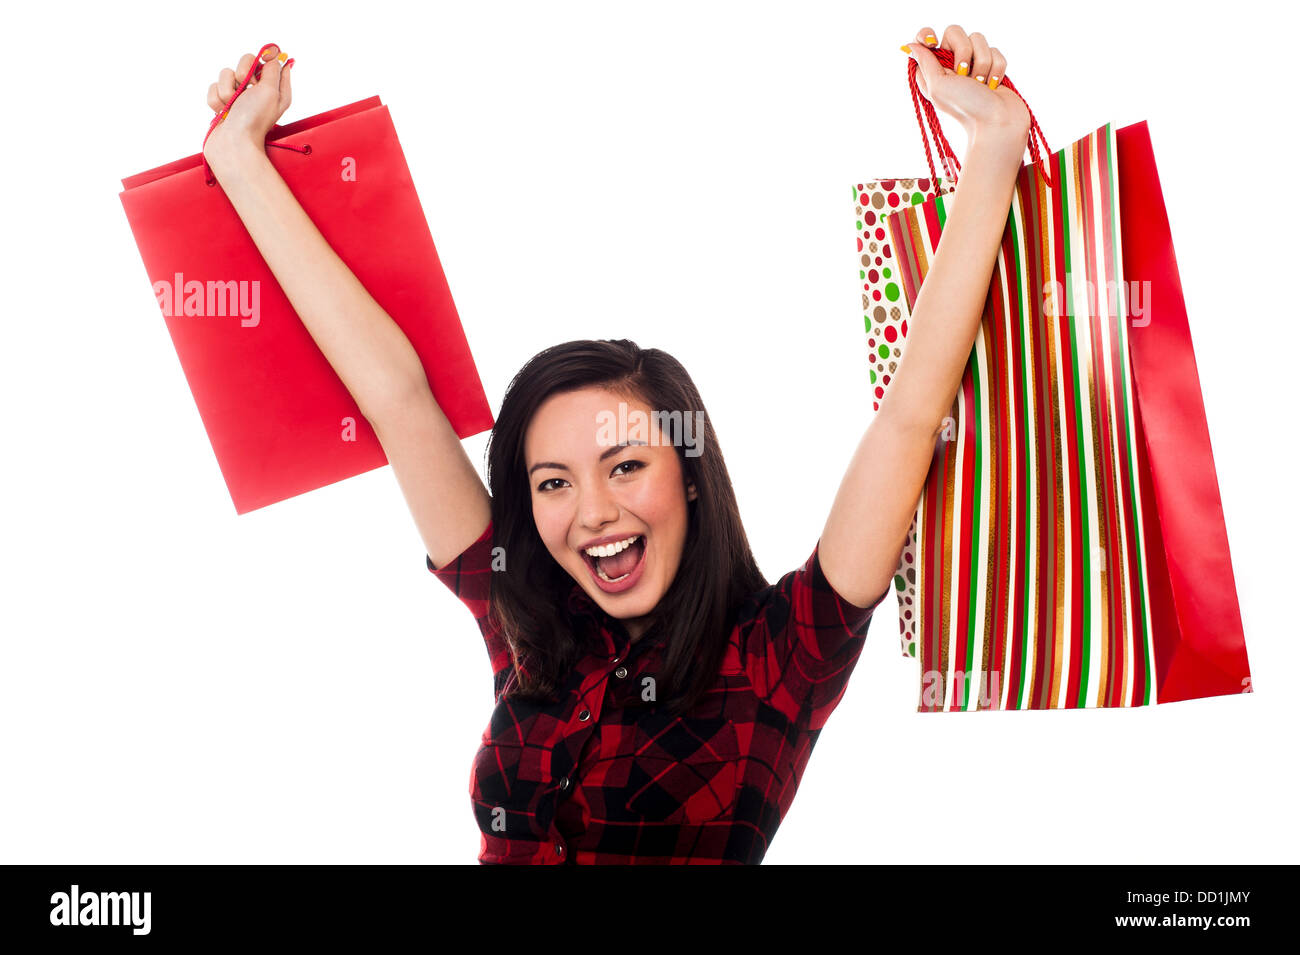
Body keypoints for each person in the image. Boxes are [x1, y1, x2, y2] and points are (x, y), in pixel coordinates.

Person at [201, 24, 1031, 864]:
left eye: (626, 466)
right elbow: (396, 398)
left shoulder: (782, 657)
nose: (593, 513)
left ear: (691, 477)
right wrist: (241, 163)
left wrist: (993, 148)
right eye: (552, 482)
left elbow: (910, 416)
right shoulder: (525, 622)